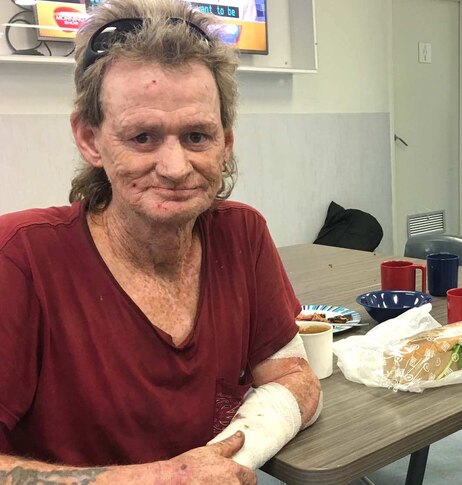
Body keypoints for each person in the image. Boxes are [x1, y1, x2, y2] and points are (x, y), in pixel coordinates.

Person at [0, 0, 321, 483]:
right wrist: (164, 479)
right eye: (143, 137)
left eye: (197, 136)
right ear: (90, 140)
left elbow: (295, 378)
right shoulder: (20, 259)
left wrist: (220, 462)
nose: (174, 167)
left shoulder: (242, 235)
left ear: (226, 142)